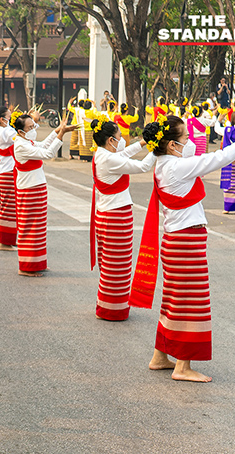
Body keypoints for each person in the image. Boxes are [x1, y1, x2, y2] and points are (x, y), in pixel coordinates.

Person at [132, 115, 235, 382]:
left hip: (175, 239)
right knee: (191, 301)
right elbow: (214, 159)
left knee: (174, 299)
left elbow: (205, 158)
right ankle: (182, 366)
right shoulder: (176, 167)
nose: (189, 142)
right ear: (173, 145)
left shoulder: (166, 163)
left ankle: (160, 355)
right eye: (185, 138)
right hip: (186, 240)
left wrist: (234, 154)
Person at [90, 116, 155, 320]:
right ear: (111, 140)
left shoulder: (101, 153)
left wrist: (144, 143)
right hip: (115, 216)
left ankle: (109, 305)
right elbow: (143, 167)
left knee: (113, 263)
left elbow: (124, 153)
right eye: (119, 137)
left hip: (109, 213)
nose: (121, 140)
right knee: (117, 264)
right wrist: (158, 149)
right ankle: (112, 309)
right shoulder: (108, 158)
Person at [12, 111, 77, 276]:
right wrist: (61, 134)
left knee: (39, 229)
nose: (34, 128)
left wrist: (58, 131)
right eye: (31, 127)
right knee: (30, 228)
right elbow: (48, 153)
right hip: (29, 190)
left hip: (37, 188)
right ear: (21, 131)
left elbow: (43, 144)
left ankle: (38, 262)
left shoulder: (27, 141)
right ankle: (26, 267)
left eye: (33, 125)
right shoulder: (20, 144)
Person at [0, 106, 17, 249]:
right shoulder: (6, 131)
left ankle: (7, 239)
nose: (11, 118)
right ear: (2, 119)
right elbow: (23, 138)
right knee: (8, 209)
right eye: (10, 116)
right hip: (8, 172)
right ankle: (4, 241)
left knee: (6, 207)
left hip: (4, 171)